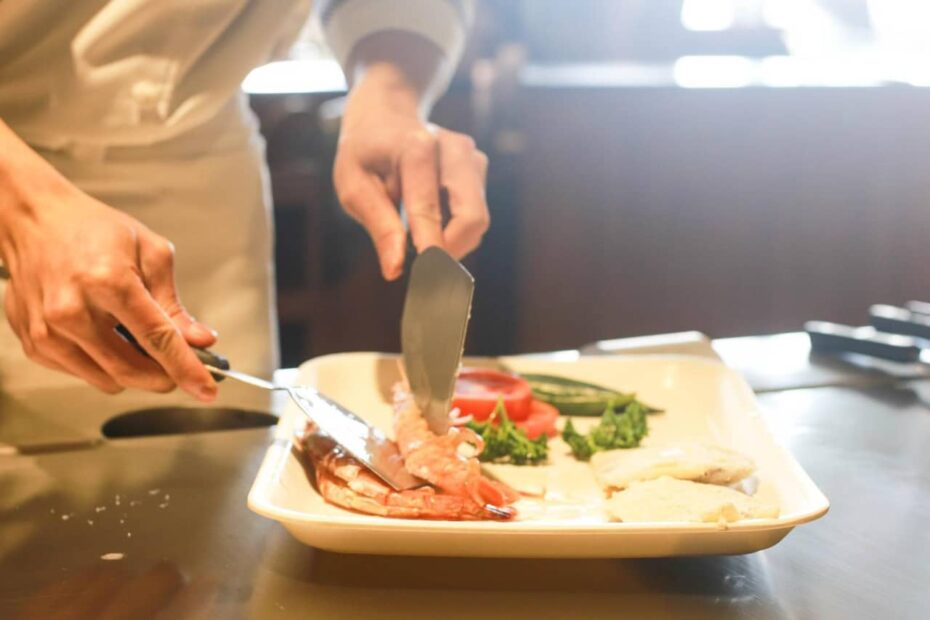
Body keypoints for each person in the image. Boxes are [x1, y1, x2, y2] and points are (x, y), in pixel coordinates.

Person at [0, 0, 489, 401]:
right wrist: (23, 208)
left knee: (224, 479)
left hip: (203, 170)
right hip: (13, 155)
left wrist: (391, 91)